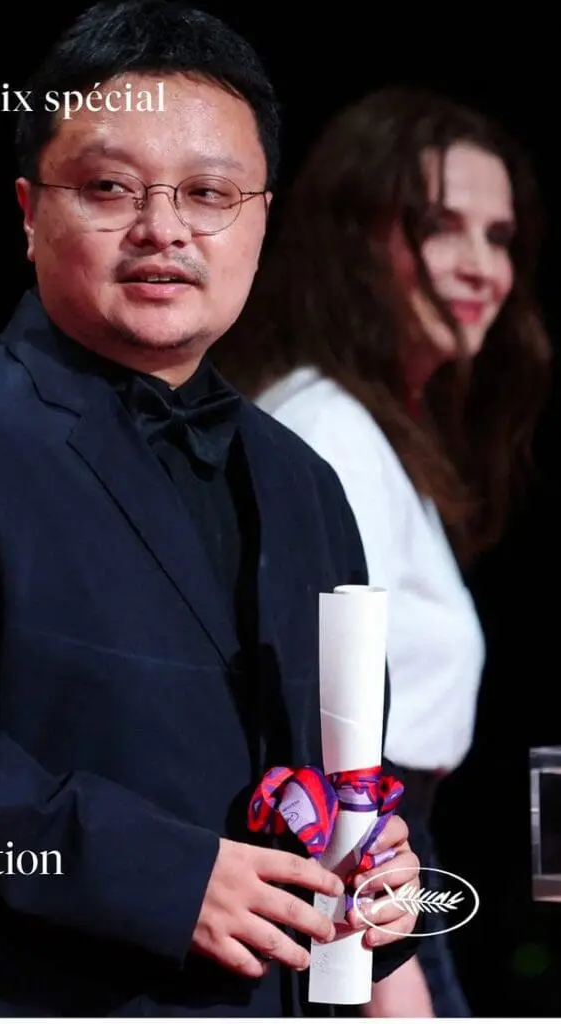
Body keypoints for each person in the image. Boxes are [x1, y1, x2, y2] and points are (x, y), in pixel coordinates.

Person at [0, 4, 422, 1016]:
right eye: (108, 188)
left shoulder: (304, 479)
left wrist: (375, 854)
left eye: (208, 193)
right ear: (26, 210)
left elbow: (341, 769)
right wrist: (167, 876)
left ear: (261, 217)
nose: (164, 229)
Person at [214, 87, 552, 1016]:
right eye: (443, 227)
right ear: (357, 238)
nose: (483, 266)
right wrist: (383, 977)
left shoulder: (373, 429)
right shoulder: (329, 430)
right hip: (361, 882)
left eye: (500, 236)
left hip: (391, 870)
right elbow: (316, 734)